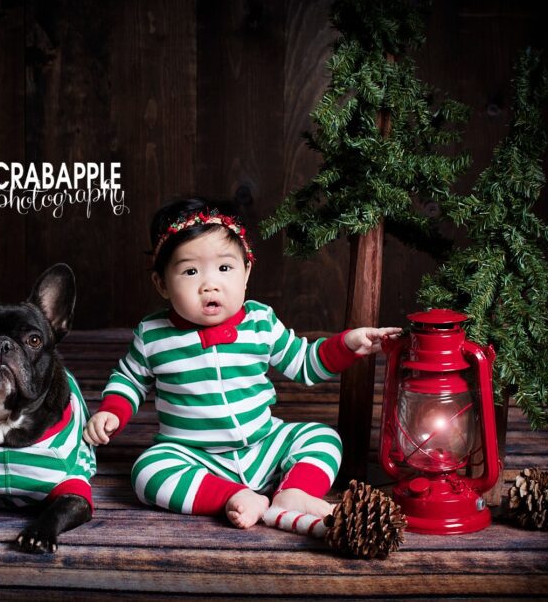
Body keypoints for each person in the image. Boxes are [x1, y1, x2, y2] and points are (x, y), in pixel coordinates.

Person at [84, 198, 401, 528]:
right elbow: (129, 380)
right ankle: (231, 496)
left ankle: (293, 491)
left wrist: (347, 344)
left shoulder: (260, 322)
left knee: (323, 438)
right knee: (147, 473)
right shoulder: (153, 335)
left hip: (263, 444)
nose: (210, 284)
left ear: (246, 271)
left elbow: (306, 364)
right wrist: (112, 410)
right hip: (195, 455)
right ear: (162, 284)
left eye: (224, 268)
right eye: (190, 271)